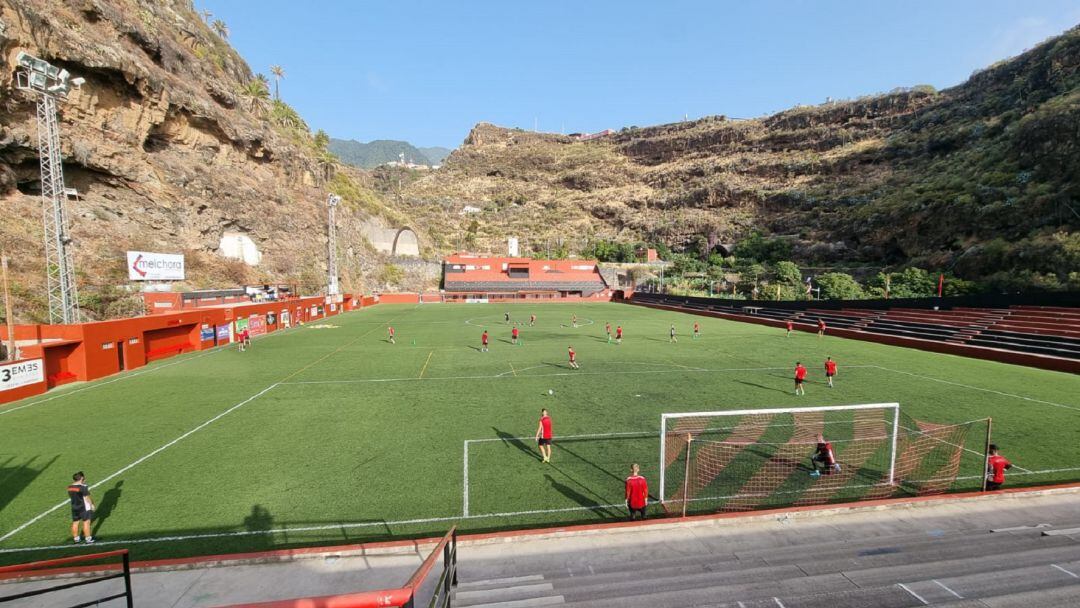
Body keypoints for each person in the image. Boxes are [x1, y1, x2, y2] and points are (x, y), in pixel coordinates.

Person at [68, 472, 95, 544]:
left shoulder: (70, 487)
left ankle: (76, 538)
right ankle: (88, 539)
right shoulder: (83, 487)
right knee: (86, 522)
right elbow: (87, 497)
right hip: (84, 507)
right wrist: (92, 504)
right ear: (82, 478)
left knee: (75, 522)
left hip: (74, 507)